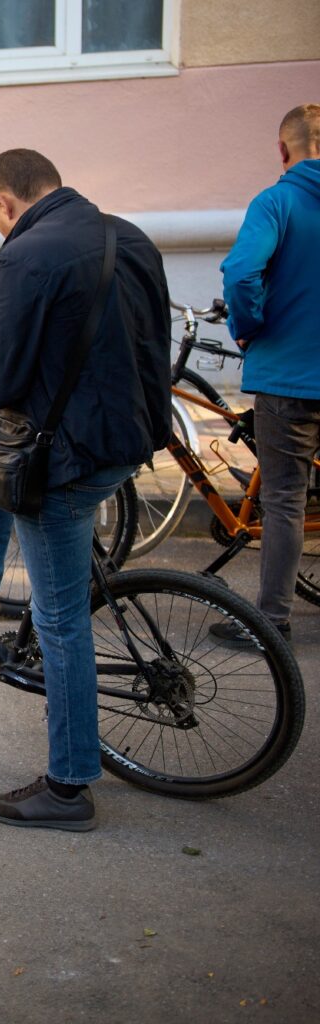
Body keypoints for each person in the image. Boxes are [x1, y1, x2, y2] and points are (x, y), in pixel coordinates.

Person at [0, 149, 171, 832]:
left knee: (60, 621)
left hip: (68, 459)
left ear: (3, 205)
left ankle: (69, 786)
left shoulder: (23, 256)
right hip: (126, 438)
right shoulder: (125, 234)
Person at [213, 103, 320, 646]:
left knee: (284, 499)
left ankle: (271, 623)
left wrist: (248, 326)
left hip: (290, 378)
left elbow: (242, 271)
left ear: (284, 150)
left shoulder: (277, 201)